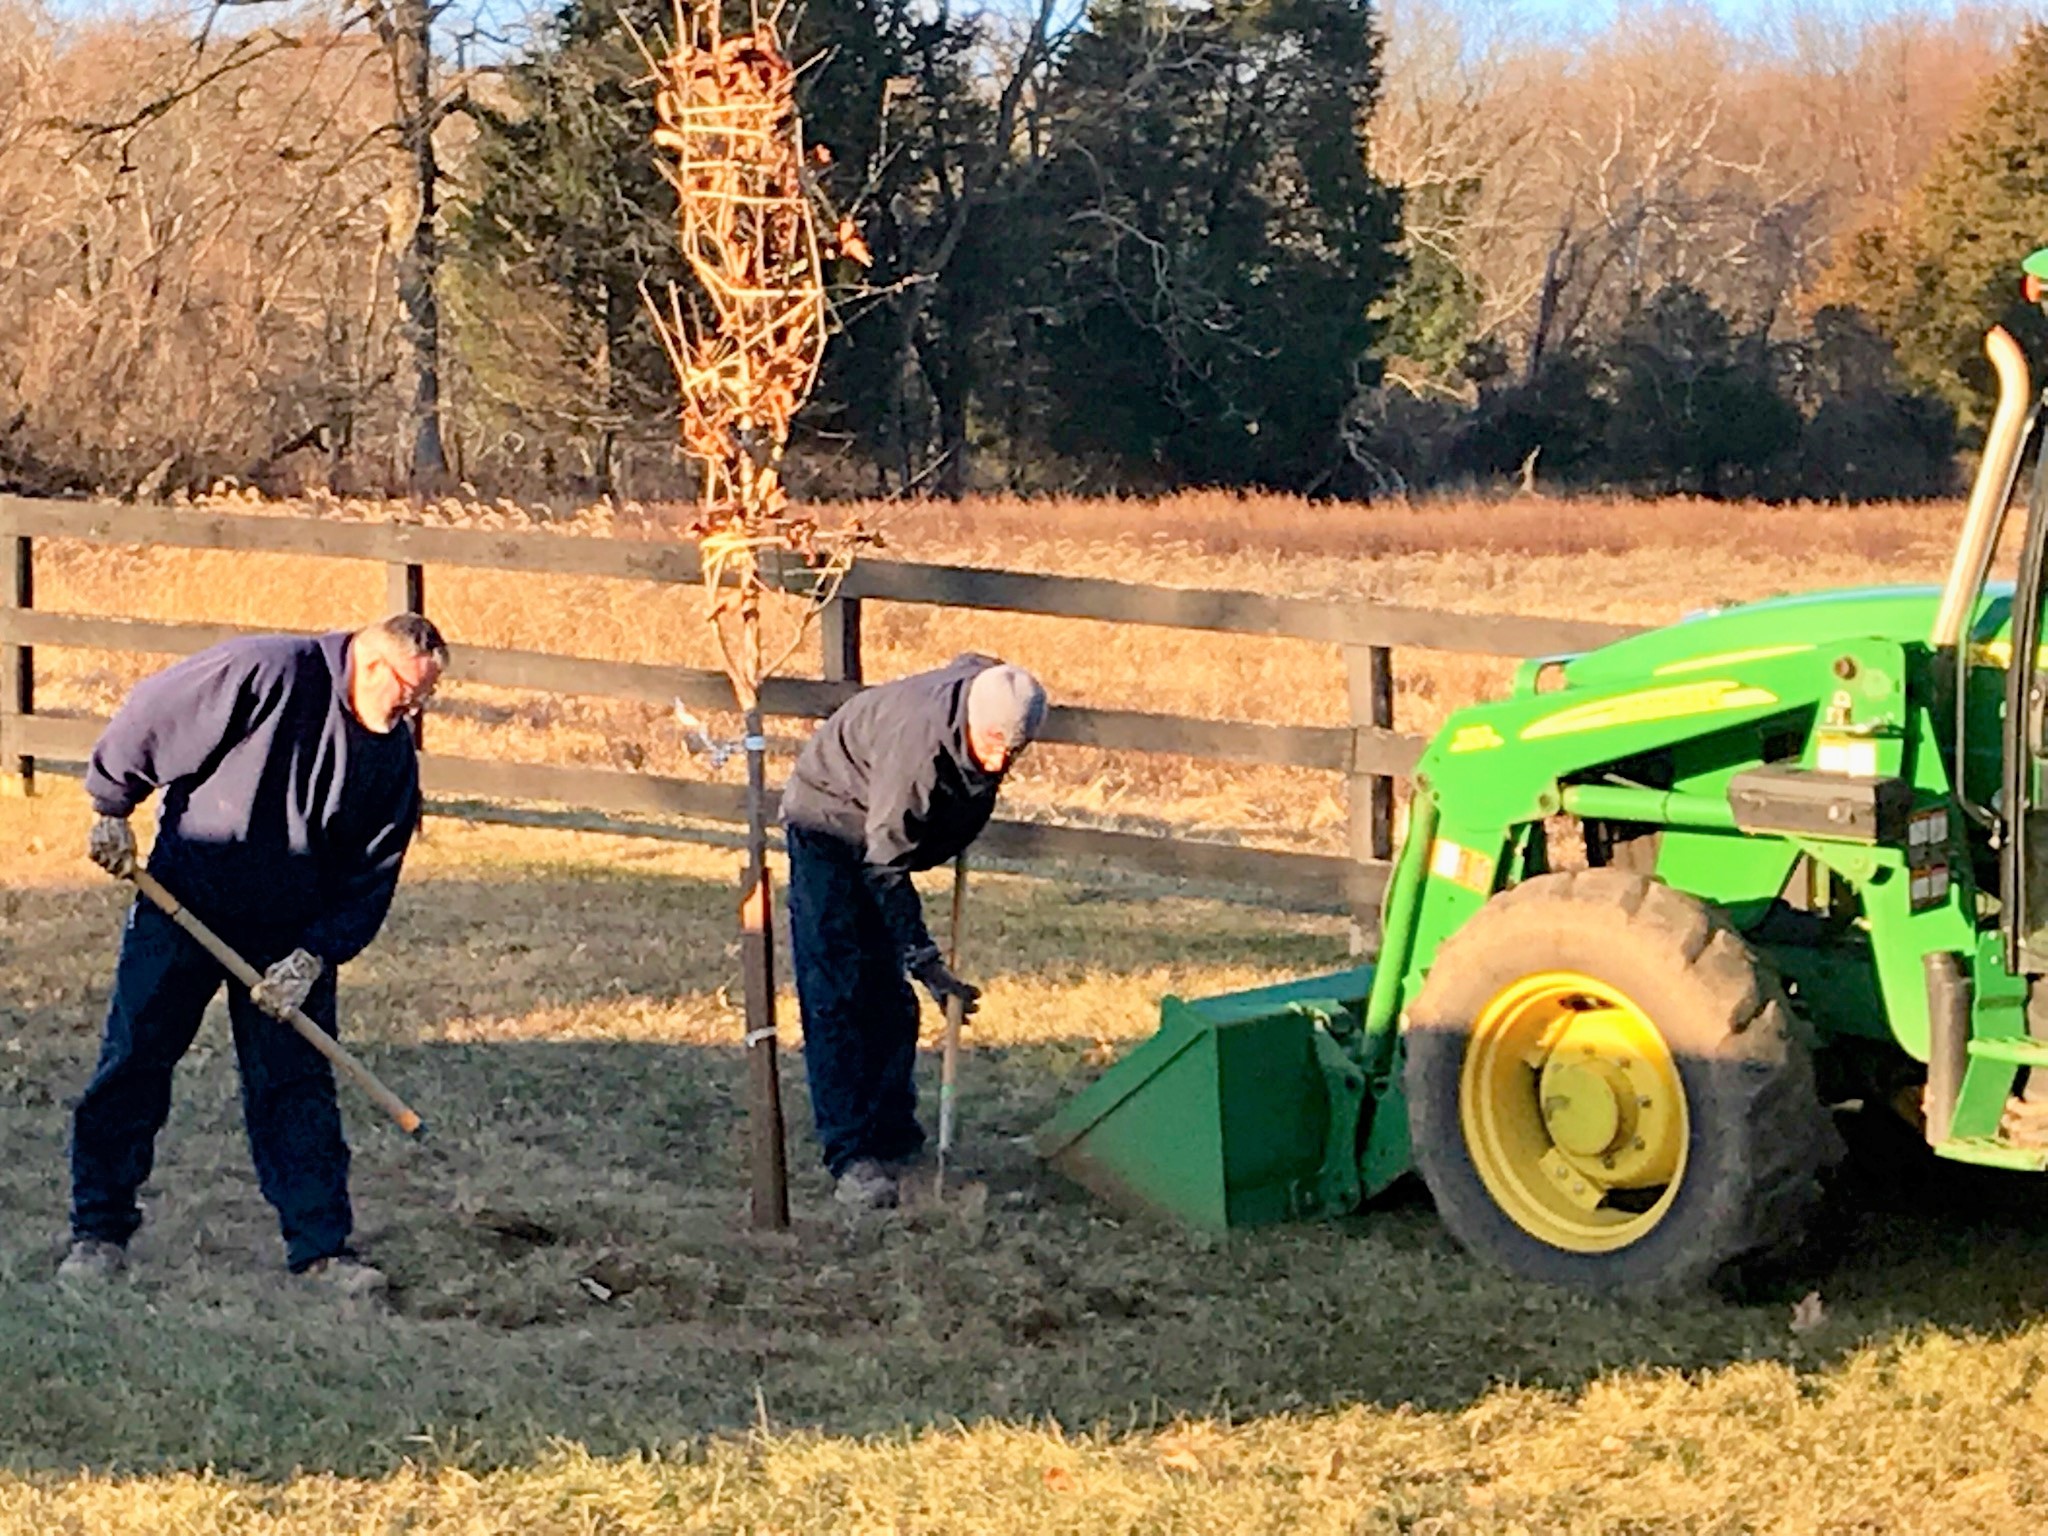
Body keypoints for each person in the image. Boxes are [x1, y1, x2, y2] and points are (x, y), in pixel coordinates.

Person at [60, 613, 448, 1296]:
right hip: (187, 900)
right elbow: (154, 712)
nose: (415, 712)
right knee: (135, 1059)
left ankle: (323, 1251)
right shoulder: (267, 671)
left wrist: (313, 956)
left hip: (288, 935)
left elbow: (371, 879)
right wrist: (110, 805)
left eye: (427, 701)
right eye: (411, 696)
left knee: (294, 1085)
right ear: (373, 666)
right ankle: (98, 1233)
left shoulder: (391, 762)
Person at [780, 653, 1048, 1210]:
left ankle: (897, 1140)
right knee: (840, 991)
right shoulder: (917, 751)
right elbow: (884, 864)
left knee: (890, 1001)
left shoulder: (992, 697)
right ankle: (852, 1156)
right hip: (829, 819)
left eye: (1013, 751)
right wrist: (925, 959)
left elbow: (977, 664)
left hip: (883, 828)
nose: (1000, 762)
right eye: (993, 743)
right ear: (973, 722)